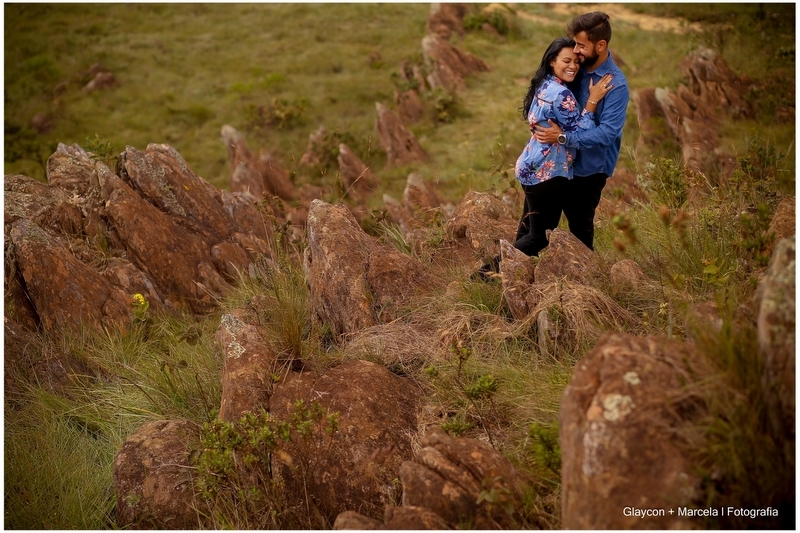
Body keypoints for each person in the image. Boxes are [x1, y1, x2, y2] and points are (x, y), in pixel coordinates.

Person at [473, 37, 613, 281]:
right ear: (552, 61)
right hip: (547, 174)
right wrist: (592, 101)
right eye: (566, 61)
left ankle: (507, 279)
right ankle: (483, 277)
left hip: (530, 166)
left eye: (576, 62)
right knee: (539, 237)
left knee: (527, 231)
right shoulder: (562, 94)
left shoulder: (545, 85)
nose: (573, 66)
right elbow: (581, 133)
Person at [533, 12, 629, 252]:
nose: (576, 51)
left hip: (589, 169)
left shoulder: (616, 85)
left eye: (581, 45)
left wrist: (562, 137)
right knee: (537, 228)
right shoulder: (577, 67)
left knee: (580, 233)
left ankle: (586, 276)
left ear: (601, 45)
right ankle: (502, 268)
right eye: (575, 44)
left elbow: (607, 134)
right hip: (558, 161)